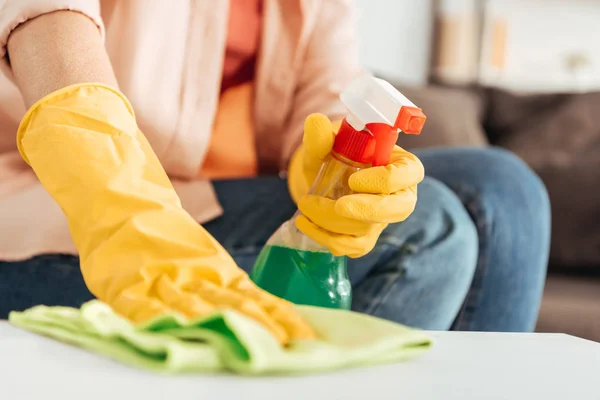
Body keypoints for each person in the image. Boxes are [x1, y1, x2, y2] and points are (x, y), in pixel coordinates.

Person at [0, 0, 550, 339]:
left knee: (503, 188)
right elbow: (47, 17)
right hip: (52, 211)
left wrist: (341, 165)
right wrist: (121, 206)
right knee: (432, 230)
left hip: (214, 202)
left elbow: (330, 88)